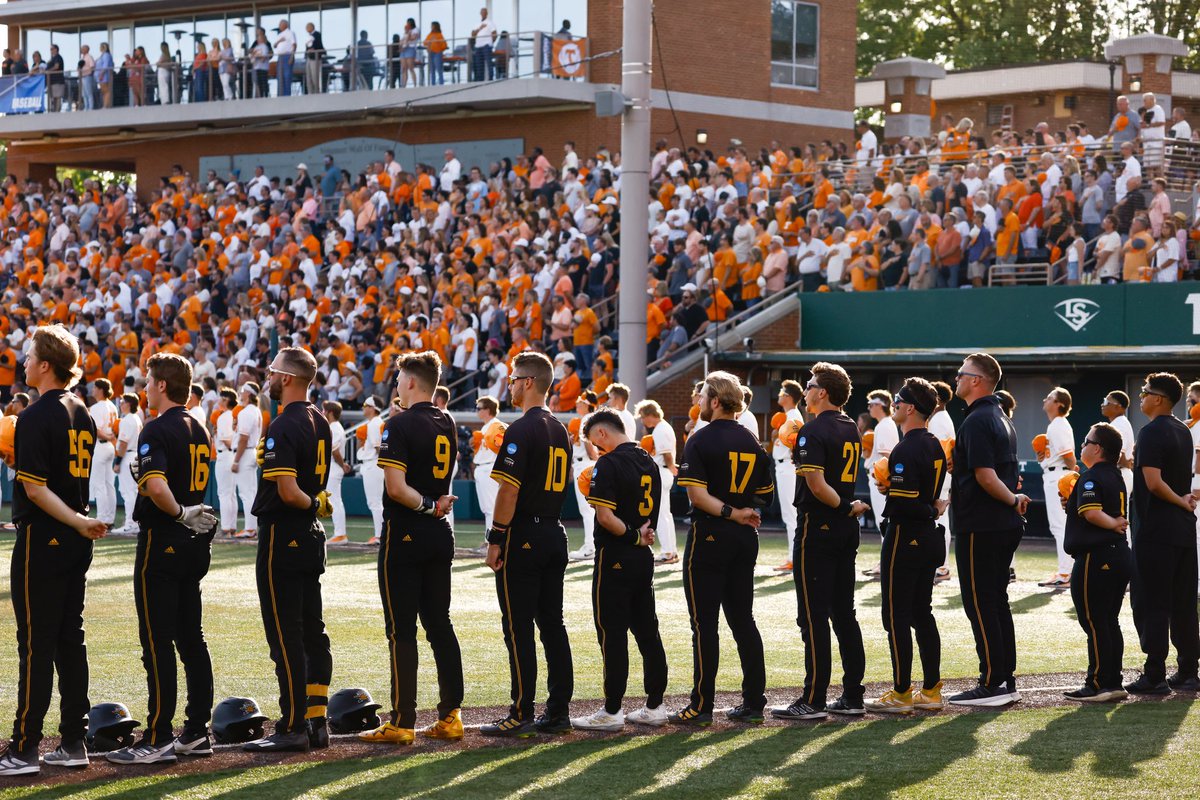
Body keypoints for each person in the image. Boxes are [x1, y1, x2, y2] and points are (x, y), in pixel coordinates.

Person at [0, 325, 106, 777]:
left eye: (29, 356)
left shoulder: (35, 415)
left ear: (45, 365)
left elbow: (39, 491)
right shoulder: (81, 411)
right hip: (74, 541)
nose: (23, 363)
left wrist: (76, 520)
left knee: (35, 644)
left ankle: (24, 747)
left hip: (45, 535)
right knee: (69, 639)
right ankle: (73, 741)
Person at [106, 354, 218, 765]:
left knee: (157, 640)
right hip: (194, 539)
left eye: (149, 381)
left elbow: (155, 484)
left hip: (167, 534)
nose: (145, 387)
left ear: (163, 386)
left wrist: (176, 511)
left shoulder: (156, 427)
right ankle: (196, 731)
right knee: (191, 637)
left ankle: (157, 736)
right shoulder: (199, 425)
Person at [360, 352, 464, 745]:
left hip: (407, 531)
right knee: (439, 624)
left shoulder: (398, 424)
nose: (396, 383)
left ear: (410, 382)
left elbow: (396, 489)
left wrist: (426, 505)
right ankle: (451, 714)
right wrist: (435, 506)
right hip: (440, 533)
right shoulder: (447, 420)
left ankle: (403, 720)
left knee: (401, 630)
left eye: (400, 377)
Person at [244, 347, 334, 752]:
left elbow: (288, 490)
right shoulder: (321, 421)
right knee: (313, 630)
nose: (268, 375)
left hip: (284, 531)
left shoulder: (284, 423)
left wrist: (312, 502)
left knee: (286, 635)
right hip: (310, 534)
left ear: (290, 378)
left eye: (274, 370)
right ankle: (316, 720)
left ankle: (294, 724)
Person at [482, 352, 574, 737]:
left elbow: (508, 491)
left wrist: (496, 538)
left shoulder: (520, 429)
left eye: (515, 378)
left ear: (530, 382)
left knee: (518, 626)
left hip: (524, 534)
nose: (511, 384)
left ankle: (521, 712)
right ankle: (558, 711)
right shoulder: (561, 429)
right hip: (554, 530)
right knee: (553, 624)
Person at [674, 371, 773, 725]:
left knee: (704, 624)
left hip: (711, 534)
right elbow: (765, 496)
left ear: (715, 401)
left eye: (702, 397)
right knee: (743, 620)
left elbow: (696, 495)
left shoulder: (700, 440)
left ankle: (701, 706)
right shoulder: (752, 439)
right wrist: (743, 511)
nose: (698, 403)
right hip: (745, 537)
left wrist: (731, 512)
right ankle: (753, 702)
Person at [772, 362, 869, 721]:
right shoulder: (850, 427)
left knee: (812, 616)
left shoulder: (813, 430)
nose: (806, 390)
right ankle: (853, 694)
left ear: (822, 392)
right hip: (845, 529)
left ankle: (813, 699)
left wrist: (844, 507)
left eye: (809, 385)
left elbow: (815, 484)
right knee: (844, 613)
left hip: (820, 524)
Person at [571, 408, 669, 731]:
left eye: (595, 444)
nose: (596, 450)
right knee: (647, 631)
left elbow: (606, 519)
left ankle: (612, 710)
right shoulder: (650, 462)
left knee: (612, 633)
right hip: (644, 556)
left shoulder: (609, 463)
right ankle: (655, 704)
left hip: (616, 554)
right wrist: (640, 536)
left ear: (601, 434)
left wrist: (629, 534)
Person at [948, 353, 1028, 707]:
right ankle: (1004, 678)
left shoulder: (979, 419)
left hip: (982, 523)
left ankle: (993, 681)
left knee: (980, 602)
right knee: (995, 601)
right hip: (998, 523)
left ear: (977, 380)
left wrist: (1011, 499)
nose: (956, 379)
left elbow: (985, 475)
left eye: (961, 374)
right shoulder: (1000, 416)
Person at [865, 378, 949, 714]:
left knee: (896, 614)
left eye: (899, 400)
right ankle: (931, 690)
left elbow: (907, 504)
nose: (895, 404)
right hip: (928, 535)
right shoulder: (935, 444)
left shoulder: (907, 447)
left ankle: (901, 693)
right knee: (921, 612)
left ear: (911, 407)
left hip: (906, 534)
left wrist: (892, 491)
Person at [1125, 372, 1200, 695]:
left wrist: (1180, 501)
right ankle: (1187, 672)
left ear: (1159, 399)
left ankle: (1154, 674)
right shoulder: (1183, 430)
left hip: (1157, 528)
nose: (1141, 396)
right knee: (1183, 602)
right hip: (1182, 530)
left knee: (1151, 600)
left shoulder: (1152, 431)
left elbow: (1154, 483)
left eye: (1145, 392)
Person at [1062, 422, 1131, 703]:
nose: (1082, 446)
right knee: (1108, 620)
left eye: (1086, 441)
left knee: (1095, 620)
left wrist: (1112, 522)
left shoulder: (1091, 476)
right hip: (1117, 554)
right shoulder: (1115, 475)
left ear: (1097, 448)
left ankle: (1100, 683)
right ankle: (1112, 680)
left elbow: (1092, 513)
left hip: (1096, 556)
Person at [1037, 387, 1077, 589]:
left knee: (1060, 526)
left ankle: (1066, 572)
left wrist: (1071, 473)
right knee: (1060, 525)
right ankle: (1067, 570)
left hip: (1058, 475)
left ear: (1059, 404)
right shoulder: (1056, 425)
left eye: (1050, 397)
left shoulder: (1058, 425)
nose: (1046, 399)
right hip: (1054, 472)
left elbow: (1069, 456)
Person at [636, 399, 679, 565]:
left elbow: (667, 454)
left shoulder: (660, 429)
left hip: (662, 471)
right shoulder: (662, 427)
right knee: (665, 514)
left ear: (650, 415)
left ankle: (668, 552)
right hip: (662, 470)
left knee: (661, 515)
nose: (642, 420)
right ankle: (671, 551)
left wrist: (671, 467)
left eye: (643, 416)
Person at [770, 380, 805, 572]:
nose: (779, 395)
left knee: (791, 515)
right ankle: (793, 556)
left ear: (789, 397)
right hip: (782, 466)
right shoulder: (787, 416)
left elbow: (796, 444)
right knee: (789, 515)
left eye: (782, 393)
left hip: (788, 467)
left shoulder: (793, 416)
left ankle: (794, 557)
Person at [928, 381, 956, 583]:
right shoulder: (941, 417)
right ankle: (941, 564)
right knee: (940, 518)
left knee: (940, 518)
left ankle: (942, 565)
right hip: (944, 474)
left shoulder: (938, 419)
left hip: (940, 474)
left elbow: (935, 453)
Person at [568, 392, 599, 561]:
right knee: (591, 509)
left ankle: (590, 547)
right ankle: (592, 545)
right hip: (586, 463)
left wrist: (596, 458)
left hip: (585, 464)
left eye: (580, 402)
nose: (577, 404)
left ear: (587, 404)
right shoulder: (591, 419)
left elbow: (588, 446)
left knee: (587, 510)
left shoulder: (585, 420)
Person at [473, 396, 505, 548]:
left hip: (490, 467)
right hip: (482, 467)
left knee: (491, 507)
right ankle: (490, 541)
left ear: (488, 410)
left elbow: (503, 447)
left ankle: (491, 542)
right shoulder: (487, 427)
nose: (477, 411)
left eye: (479, 408)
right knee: (487, 508)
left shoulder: (497, 425)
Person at [231, 383, 262, 539]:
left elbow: (243, 438)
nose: (240, 394)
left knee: (246, 494)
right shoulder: (254, 410)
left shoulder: (247, 412)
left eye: (243, 392)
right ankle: (252, 527)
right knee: (250, 493)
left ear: (249, 394)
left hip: (245, 453)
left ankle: (250, 528)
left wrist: (236, 461)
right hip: (250, 452)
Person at [88, 379, 119, 528]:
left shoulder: (96, 407)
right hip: (110, 447)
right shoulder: (112, 405)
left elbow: (97, 431)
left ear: (100, 389)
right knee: (109, 484)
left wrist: (107, 437)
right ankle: (109, 519)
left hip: (101, 446)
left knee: (99, 484)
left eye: (94, 387)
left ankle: (102, 519)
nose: (92, 390)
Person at [112, 393, 143, 535]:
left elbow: (123, 443)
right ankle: (134, 522)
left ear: (129, 404)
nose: (121, 404)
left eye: (123, 401)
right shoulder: (136, 418)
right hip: (135, 455)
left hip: (128, 456)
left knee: (128, 492)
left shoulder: (127, 420)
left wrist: (117, 461)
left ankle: (131, 523)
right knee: (133, 492)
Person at [323, 401, 351, 545]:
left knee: (335, 501)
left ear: (330, 412)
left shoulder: (335, 428)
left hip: (334, 466)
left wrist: (342, 465)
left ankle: (340, 534)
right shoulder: (333, 427)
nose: (323, 412)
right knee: (334, 500)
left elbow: (334, 451)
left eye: (325, 410)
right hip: (333, 466)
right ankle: (339, 533)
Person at [359, 396, 385, 545]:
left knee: (374, 502)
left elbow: (377, 447)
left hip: (373, 463)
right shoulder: (374, 423)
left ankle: (379, 535)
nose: (363, 407)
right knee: (375, 502)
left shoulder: (375, 424)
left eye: (365, 405)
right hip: (372, 463)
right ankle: (379, 534)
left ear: (372, 408)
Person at [212, 389, 239, 538]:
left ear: (226, 400)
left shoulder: (224, 417)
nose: (219, 401)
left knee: (224, 494)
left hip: (226, 455)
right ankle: (232, 527)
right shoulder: (235, 415)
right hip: (233, 455)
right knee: (231, 494)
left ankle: (226, 528)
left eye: (221, 399)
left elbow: (226, 441)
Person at [1101, 390, 1136, 498]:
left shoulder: (1120, 424)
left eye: (1106, 402)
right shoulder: (1118, 423)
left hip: (1119, 474)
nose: (1103, 404)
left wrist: (1125, 463)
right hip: (1118, 473)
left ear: (1118, 407)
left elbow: (1118, 456)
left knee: (1119, 514)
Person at [470, 6, 497, 82]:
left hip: (486, 45)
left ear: (487, 13)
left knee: (489, 63)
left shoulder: (490, 22)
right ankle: (479, 80)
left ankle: (491, 78)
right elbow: (472, 34)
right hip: (478, 46)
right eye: (482, 12)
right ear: (480, 13)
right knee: (478, 64)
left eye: (484, 12)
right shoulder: (477, 24)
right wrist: (480, 28)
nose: (483, 13)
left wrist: (490, 43)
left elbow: (494, 34)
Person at [274, 19, 297, 97]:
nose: (279, 26)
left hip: (287, 55)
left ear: (285, 25)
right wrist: (279, 41)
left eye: (280, 24)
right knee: (280, 76)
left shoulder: (290, 33)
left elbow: (294, 44)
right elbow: (274, 45)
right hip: (280, 57)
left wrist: (292, 56)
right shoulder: (279, 35)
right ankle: (280, 94)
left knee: (287, 76)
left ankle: (287, 95)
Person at [304, 22, 324, 95]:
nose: (306, 29)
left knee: (314, 76)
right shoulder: (308, 36)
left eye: (307, 27)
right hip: (309, 58)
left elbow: (319, 45)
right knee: (309, 76)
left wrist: (313, 49)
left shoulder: (317, 34)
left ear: (311, 27)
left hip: (315, 58)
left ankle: (316, 92)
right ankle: (310, 92)